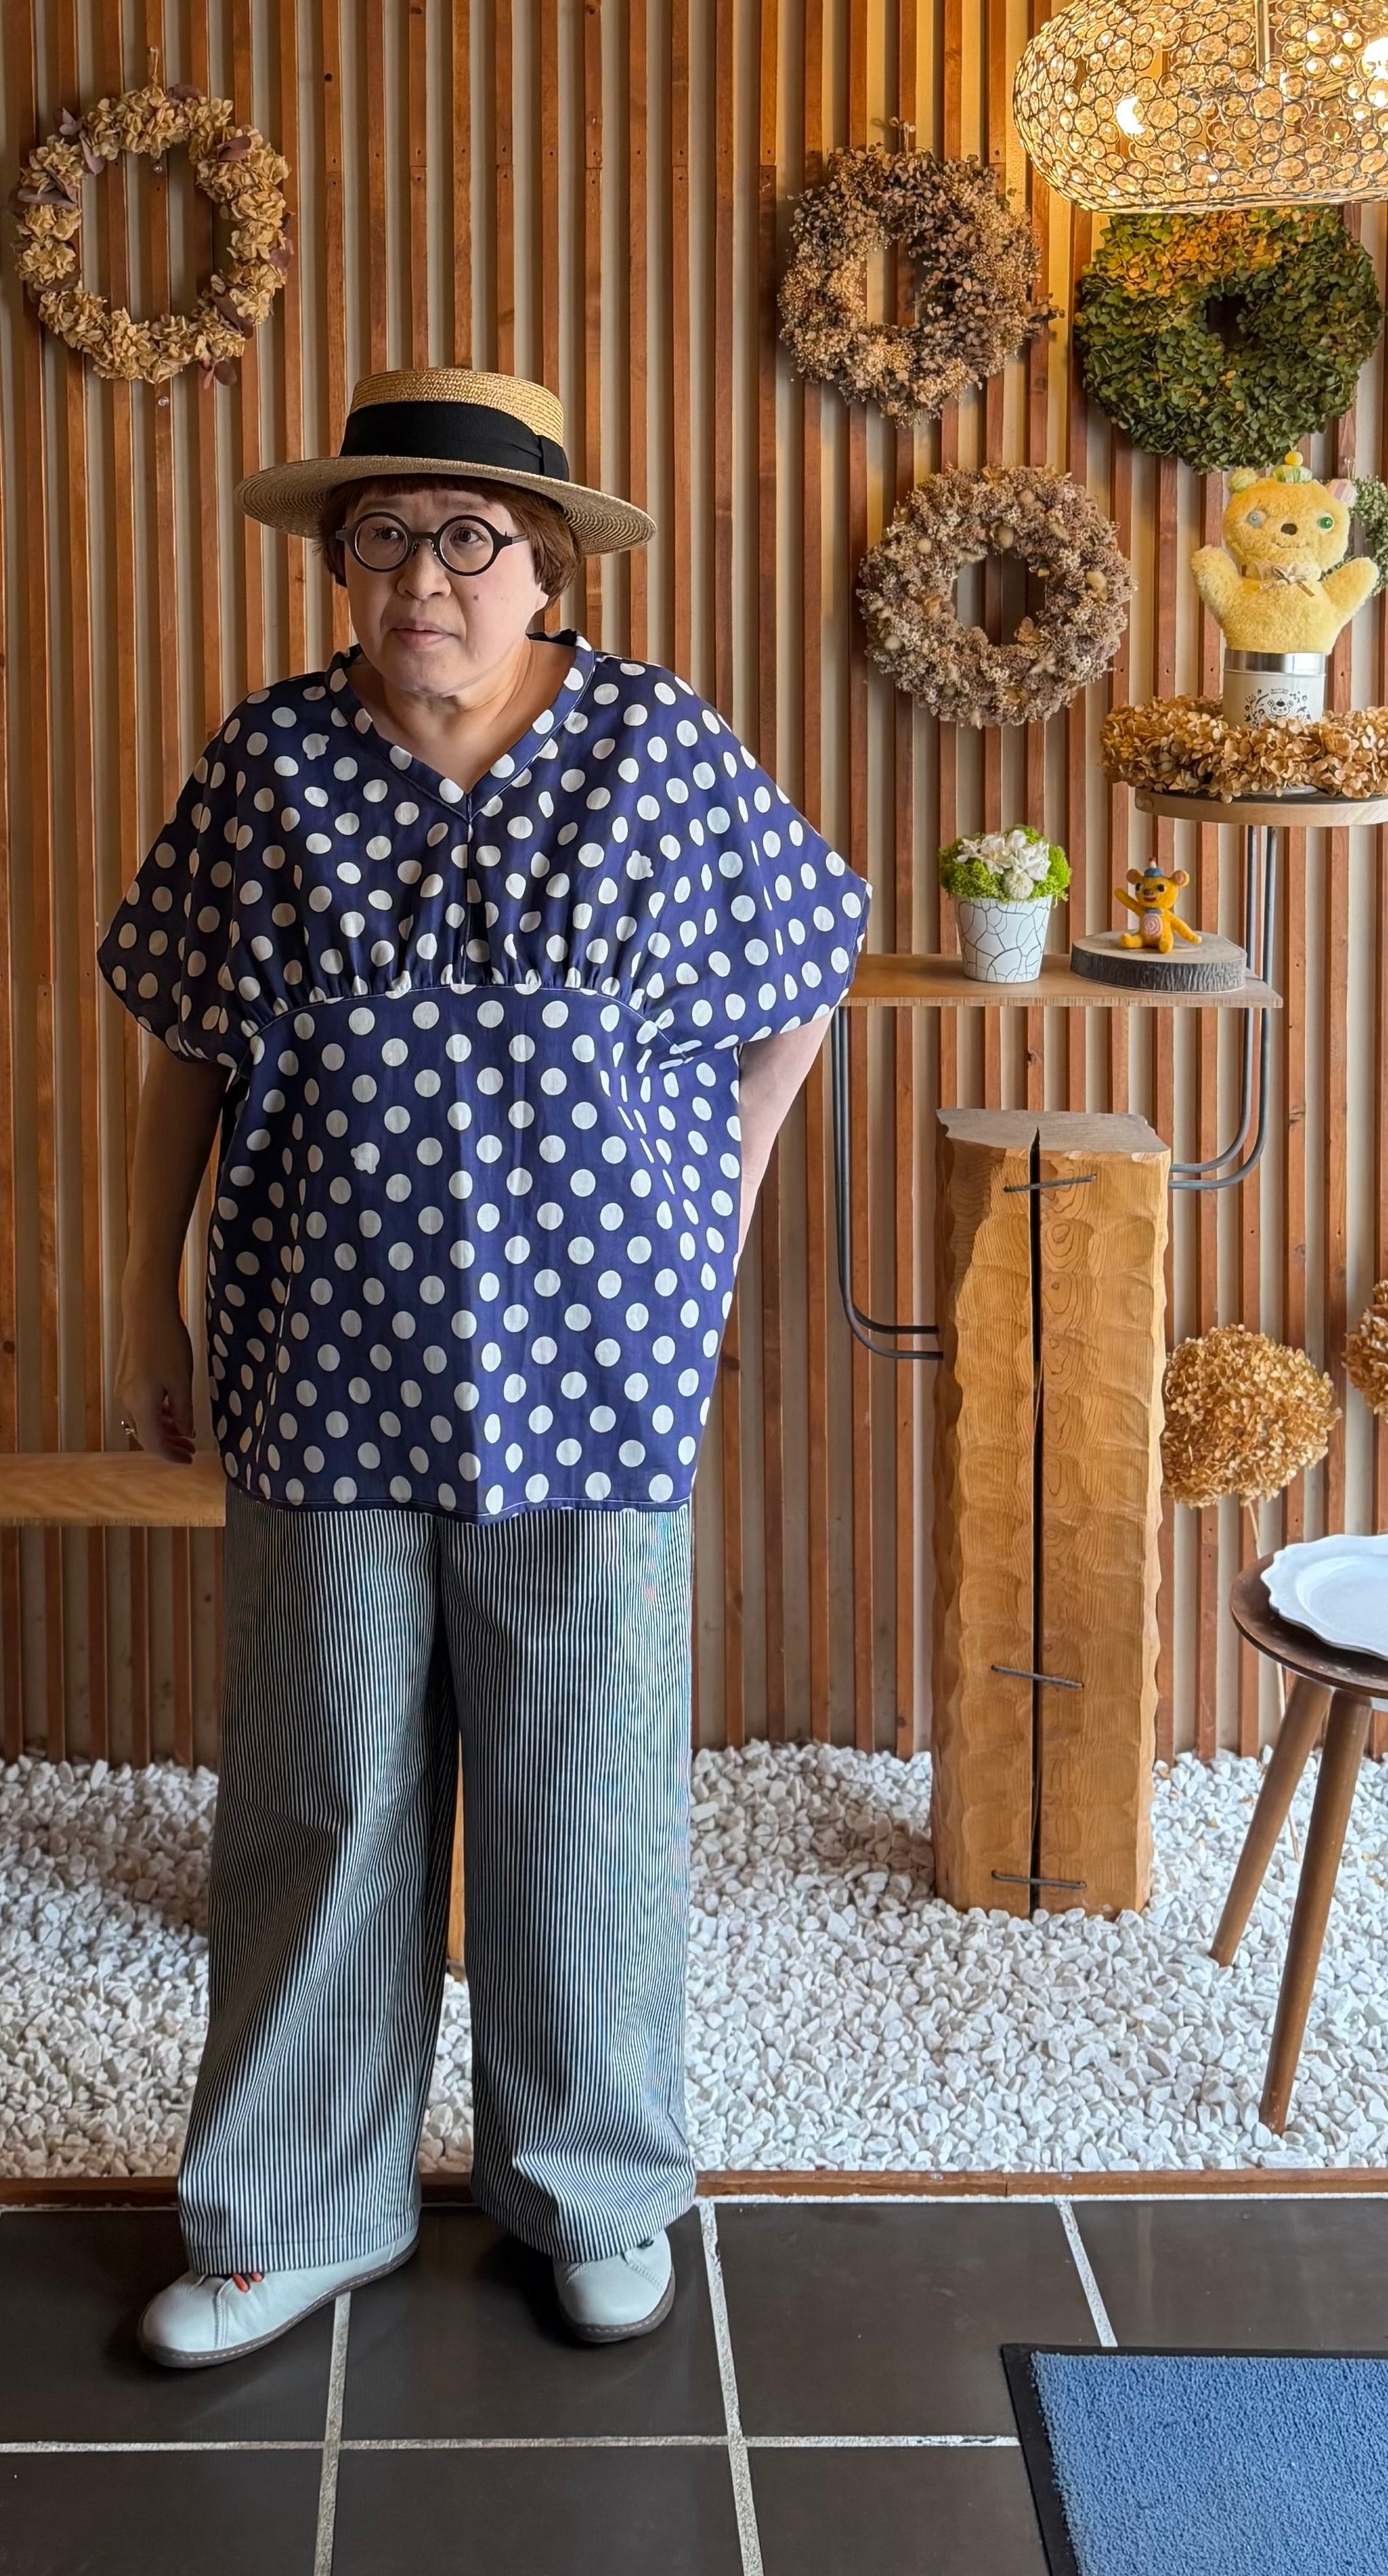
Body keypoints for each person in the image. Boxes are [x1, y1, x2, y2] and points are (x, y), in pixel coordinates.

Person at [101, 367, 865, 2369]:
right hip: (315, 1344)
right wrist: (143, 1296)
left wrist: (718, 1213)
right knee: (321, 1792)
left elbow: (802, 974)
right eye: (381, 538)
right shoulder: (270, 762)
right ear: (335, 565)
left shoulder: (657, 748)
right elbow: (184, 1046)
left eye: (466, 539)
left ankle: (590, 2188)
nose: (421, 577)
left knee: (582, 1794)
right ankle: (290, 2210)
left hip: (594, 1356)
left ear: (545, 572)